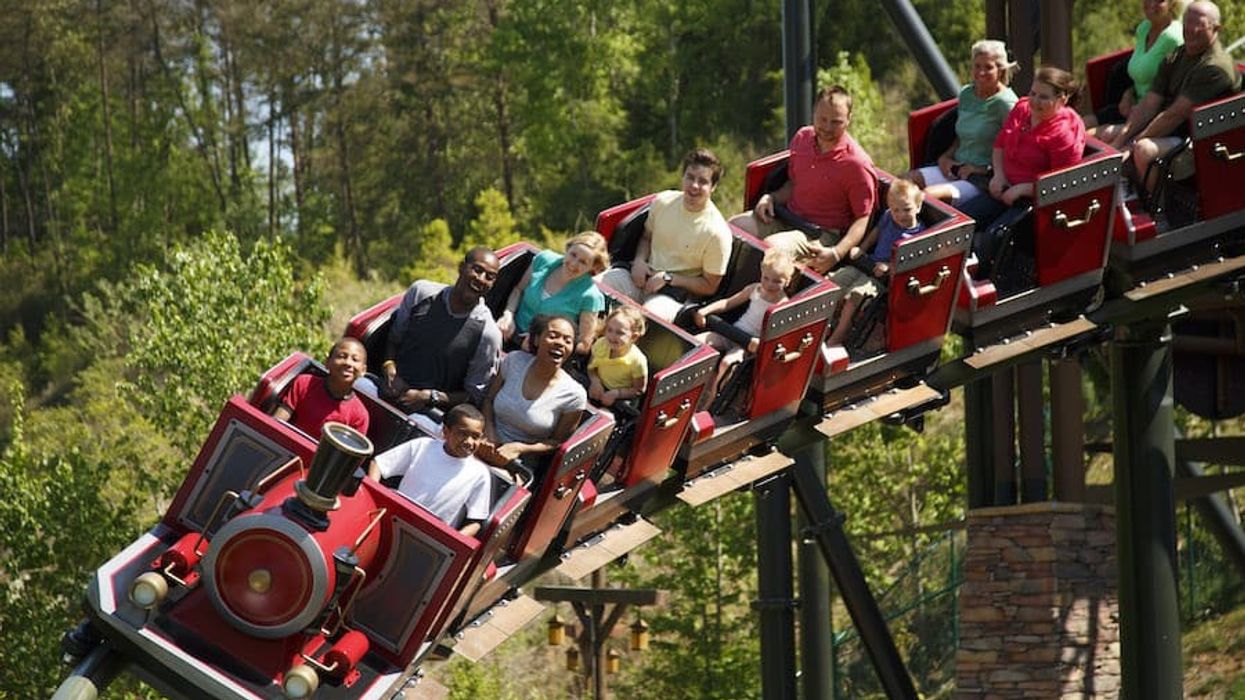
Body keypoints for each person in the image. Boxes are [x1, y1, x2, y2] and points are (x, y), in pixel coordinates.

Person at [730, 86, 877, 275]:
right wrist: (771, 198)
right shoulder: (803, 139)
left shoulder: (857, 164)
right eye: (822, 119)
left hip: (821, 234)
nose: (827, 128)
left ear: (848, 119)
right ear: (814, 113)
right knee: (734, 228)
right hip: (789, 217)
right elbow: (794, 184)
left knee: (772, 251)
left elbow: (863, 218)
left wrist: (837, 253)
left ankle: (756, 300)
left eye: (836, 122)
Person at [1099, 1, 1241, 193]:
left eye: (1198, 24)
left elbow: (1175, 115)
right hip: (1173, 129)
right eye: (1187, 22)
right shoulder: (1178, 55)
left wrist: (1131, 145)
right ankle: (1126, 194)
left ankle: (1160, 213)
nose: (1190, 29)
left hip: (1198, 141)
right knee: (1110, 135)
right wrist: (1117, 144)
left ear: (1216, 28)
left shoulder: (1214, 68)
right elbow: (1149, 104)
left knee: (1144, 149)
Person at [967, 66, 1087, 276]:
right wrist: (998, 175)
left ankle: (989, 284)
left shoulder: (1063, 135)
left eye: (1043, 97)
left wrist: (1023, 189)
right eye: (1033, 93)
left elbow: (1060, 184)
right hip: (1002, 186)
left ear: (1062, 99)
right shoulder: (1022, 109)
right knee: (965, 219)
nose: (1035, 101)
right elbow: (1000, 145)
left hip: (1033, 201)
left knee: (994, 236)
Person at [358, 247, 503, 415]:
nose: (481, 279)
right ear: (461, 267)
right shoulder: (421, 292)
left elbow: (473, 396)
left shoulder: (488, 334)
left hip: (429, 416)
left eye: (490, 277)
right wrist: (389, 369)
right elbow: (394, 338)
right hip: (388, 390)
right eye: (477, 270)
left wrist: (429, 397)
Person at [599, 148, 733, 322]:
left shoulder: (717, 233)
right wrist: (639, 260)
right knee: (595, 288)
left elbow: (709, 286)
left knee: (645, 320)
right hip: (641, 278)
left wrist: (668, 278)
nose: (694, 186)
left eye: (703, 181)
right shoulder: (663, 201)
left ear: (713, 187)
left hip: (673, 296)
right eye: (690, 177)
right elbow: (647, 237)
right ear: (683, 177)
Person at [908, 40, 1019, 207]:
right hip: (956, 167)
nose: (981, 72)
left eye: (988, 67)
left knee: (927, 197)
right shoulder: (967, 94)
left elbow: (1014, 150)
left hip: (981, 178)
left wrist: (982, 169)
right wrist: (945, 158)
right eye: (977, 66)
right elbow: (962, 137)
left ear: (1000, 69)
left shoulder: (1006, 104)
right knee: (903, 185)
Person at [691, 247, 795, 412]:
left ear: (787, 281)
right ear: (761, 274)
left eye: (776, 281)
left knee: (728, 363)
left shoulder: (782, 305)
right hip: (733, 332)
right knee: (697, 344)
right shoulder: (755, 289)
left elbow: (777, 336)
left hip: (747, 343)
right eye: (766, 278)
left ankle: (711, 401)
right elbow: (728, 303)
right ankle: (694, 387)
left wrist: (759, 344)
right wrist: (706, 311)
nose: (769, 284)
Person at [480, 315, 587, 475]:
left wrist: (519, 448)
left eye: (567, 340)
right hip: (484, 440)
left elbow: (557, 442)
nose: (560, 343)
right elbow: (488, 399)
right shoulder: (514, 360)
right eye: (553, 336)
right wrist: (488, 430)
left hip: (519, 463)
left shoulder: (575, 395)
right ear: (536, 339)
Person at [826, 179, 927, 346]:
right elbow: (877, 231)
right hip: (867, 264)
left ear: (918, 207)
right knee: (834, 283)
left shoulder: (917, 236)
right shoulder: (888, 217)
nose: (901, 215)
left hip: (880, 278)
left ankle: (839, 334)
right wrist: (862, 248)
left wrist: (889, 267)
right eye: (896, 210)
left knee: (856, 296)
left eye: (906, 210)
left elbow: (910, 264)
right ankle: (827, 325)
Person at [367, 404, 493, 537]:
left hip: (430, 539)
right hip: (391, 519)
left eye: (475, 436)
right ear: (446, 431)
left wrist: (453, 540)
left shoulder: (480, 473)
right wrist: (375, 500)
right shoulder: (423, 446)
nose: (469, 441)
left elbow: (476, 522)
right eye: (462, 433)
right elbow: (378, 465)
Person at [498, 232, 609, 356]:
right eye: (573, 255)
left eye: (583, 262)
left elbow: (584, 344)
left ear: (593, 267)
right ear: (567, 249)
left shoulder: (590, 296)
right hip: (509, 332)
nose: (573, 264)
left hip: (543, 353)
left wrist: (544, 343)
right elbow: (519, 290)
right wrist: (508, 314)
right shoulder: (543, 259)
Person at [1087, 0, 1186, 127]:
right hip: (1132, 105)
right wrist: (1129, 93)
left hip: (1152, 115)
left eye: (1159, 0)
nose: (1151, 4)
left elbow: (1176, 89)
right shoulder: (1144, 28)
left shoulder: (1174, 39)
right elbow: (1140, 73)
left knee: (1090, 137)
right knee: (1082, 124)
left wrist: (1142, 109)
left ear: (1173, 4)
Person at [271, 337, 371, 438]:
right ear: (327, 362)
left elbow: (347, 452)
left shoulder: (359, 415)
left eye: (355, 360)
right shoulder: (304, 383)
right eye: (342, 356)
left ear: (363, 370)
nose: (348, 363)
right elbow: (278, 422)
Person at [587, 305, 649, 409]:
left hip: (622, 399)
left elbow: (639, 390)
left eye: (619, 333)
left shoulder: (638, 361)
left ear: (634, 337)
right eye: (609, 330)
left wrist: (616, 394)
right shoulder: (601, 344)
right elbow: (591, 367)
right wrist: (595, 382)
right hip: (600, 388)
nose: (612, 336)